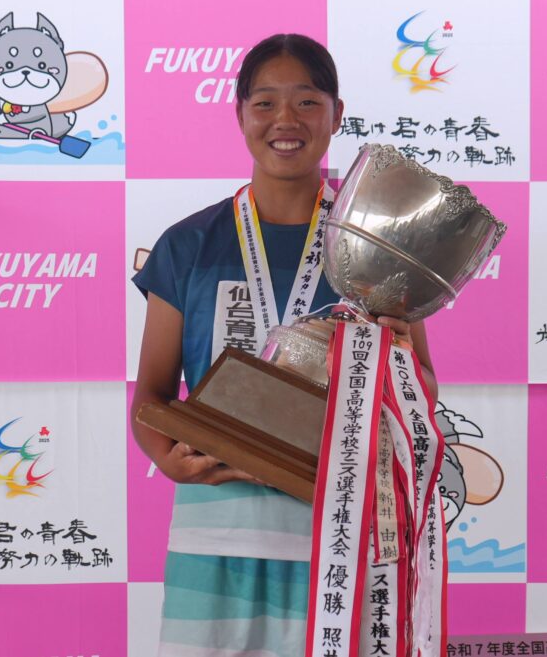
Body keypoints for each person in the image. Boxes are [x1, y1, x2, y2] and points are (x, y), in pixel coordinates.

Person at [130, 33, 437, 657]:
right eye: (265, 103)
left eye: (307, 102)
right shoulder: (188, 246)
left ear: (337, 114)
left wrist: (401, 361)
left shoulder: (379, 251)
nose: (286, 120)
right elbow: (152, 396)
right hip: (217, 539)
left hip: (340, 541)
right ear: (240, 114)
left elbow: (424, 389)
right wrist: (167, 458)